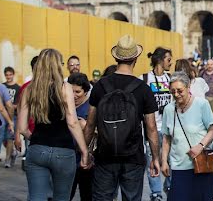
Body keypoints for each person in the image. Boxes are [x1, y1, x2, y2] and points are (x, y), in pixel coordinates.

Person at [84, 35, 161, 201]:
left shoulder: (100, 86)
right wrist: (155, 158)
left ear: (115, 57)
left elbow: (90, 124)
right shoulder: (143, 89)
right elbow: (151, 127)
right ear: (136, 58)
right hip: (133, 157)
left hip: (105, 156)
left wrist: (86, 151)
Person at [15, 48, 89, 201]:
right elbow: (72, 122)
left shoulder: (29, 90)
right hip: (63, 150)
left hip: (37, 149)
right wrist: (84, 150)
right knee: (62, 197)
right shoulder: (65, 88)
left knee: (36, 197)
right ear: (57, 66)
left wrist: (35, 139)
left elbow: (22, 128)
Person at [160, 72, 213, 201]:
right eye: (173, 91)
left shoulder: (201, 104)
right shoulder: (168, 109)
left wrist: (200, 146)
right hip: (178, 166)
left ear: (188, 87)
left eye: (180, 91)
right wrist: (163, 161)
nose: (176, 94)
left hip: (200, 165)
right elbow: (167, 138)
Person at [143, 47, 173, 201]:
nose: (171, 63)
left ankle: (170, 190)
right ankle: (156, 195)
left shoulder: (171, 79)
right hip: (151, 129)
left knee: (171, 163)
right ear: (161, 60)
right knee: (152, 163)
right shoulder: (144, 79)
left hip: (169, 130)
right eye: (169, 59)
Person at [68, 73, 93, 201]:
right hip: (67, 161)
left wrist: (86, 126)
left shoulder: (91, 108)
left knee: (87, 195)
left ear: (86, 91)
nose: (73, 95)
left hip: (86, 163)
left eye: (78, 91)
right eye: (71, 91)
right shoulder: (65, 106)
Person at [1, 66, 21, 168]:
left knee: (9, 138)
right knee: (3, 138)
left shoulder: (18, 88)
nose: (8, 76)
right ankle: (13, 152)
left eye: (10, 74)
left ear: (13, 75)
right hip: (2, 115)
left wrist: (12, 106)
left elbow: (19, 103)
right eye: (7, 75)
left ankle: (7, 159)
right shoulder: (2, 86)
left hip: (13, 116)